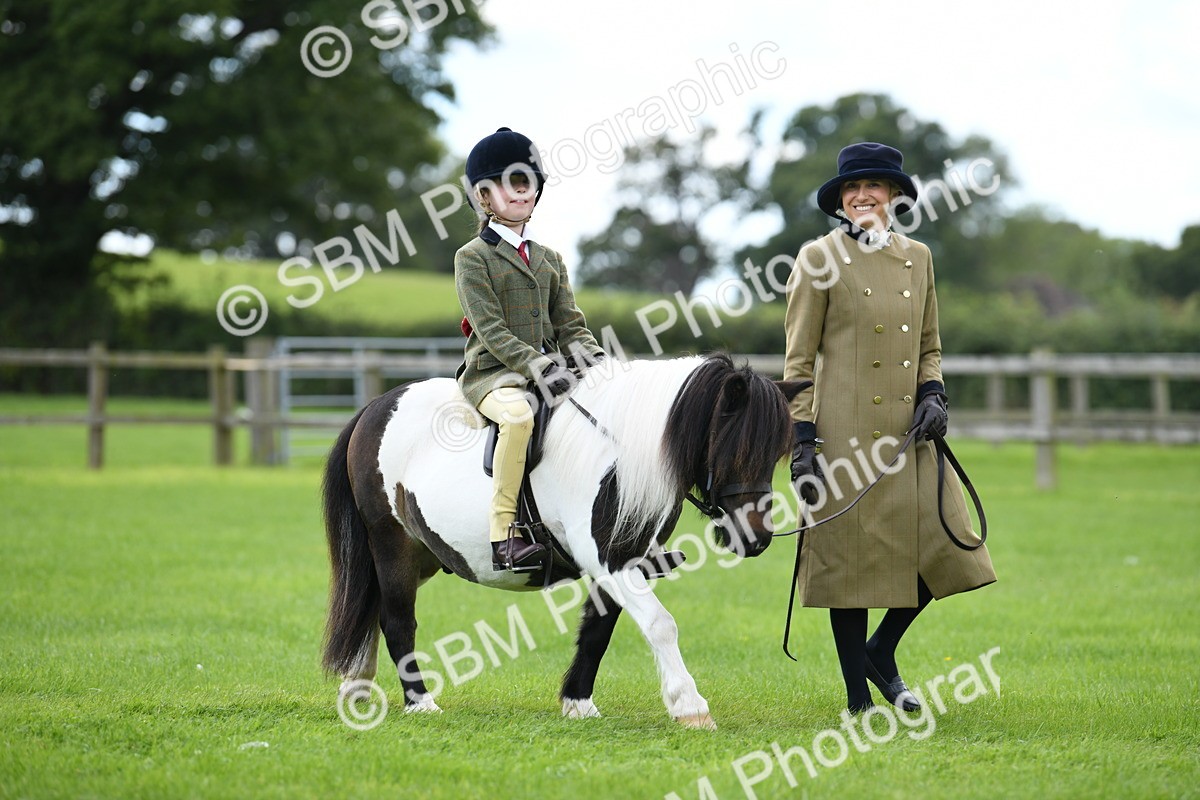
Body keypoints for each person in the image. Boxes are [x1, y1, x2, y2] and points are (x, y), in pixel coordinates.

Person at [783, 142, 996, 713]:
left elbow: (930, 345)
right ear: (840, 200)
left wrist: (934, 393)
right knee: (848, 568)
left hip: (909, 435)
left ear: (895, 195)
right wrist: (802, 439)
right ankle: (859, 700)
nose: (862, 196)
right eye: (852, 189)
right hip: (842, 435)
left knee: (950, 547)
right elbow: (798, 363)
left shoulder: (918, 257)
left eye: (873, 186)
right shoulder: (817, 257)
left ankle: (882, 650)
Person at [454, 127, 606, 572]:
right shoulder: (472, 258)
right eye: (509, 183)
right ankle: (504, 533)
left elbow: (571, 326)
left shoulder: (549, 258)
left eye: (527, 182)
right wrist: (539, 365)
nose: (520, 190)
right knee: (519, 418)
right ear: (484, 196)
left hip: (549, 371)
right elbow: (491, 331)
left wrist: (599, 366)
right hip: (493, 375)